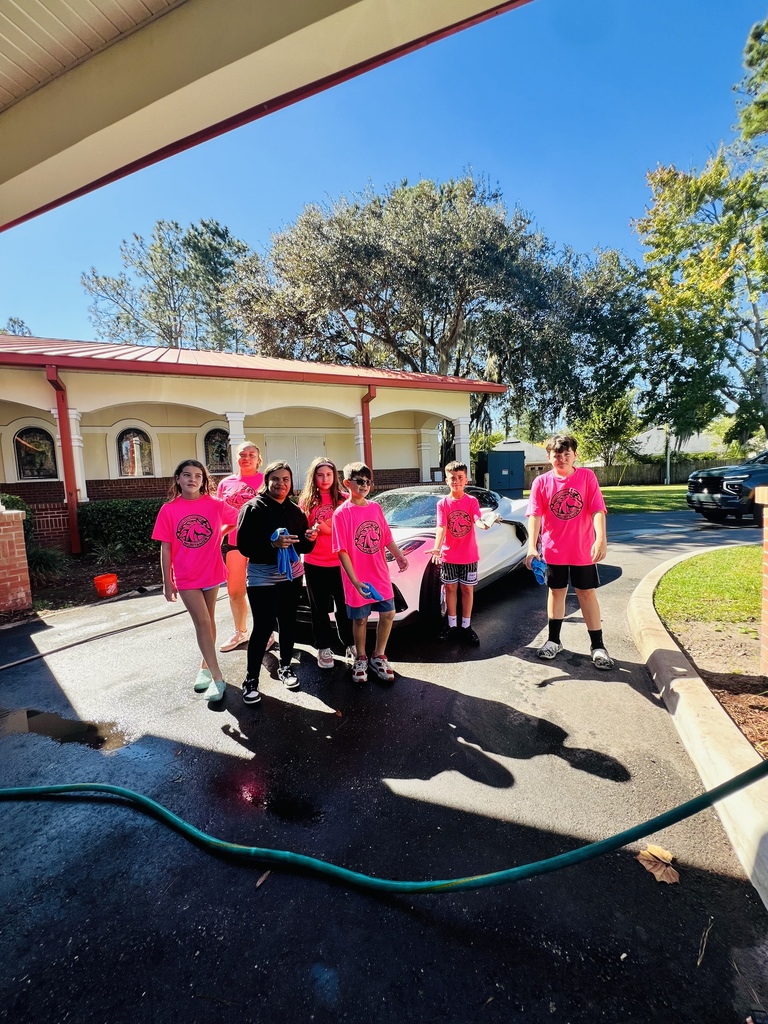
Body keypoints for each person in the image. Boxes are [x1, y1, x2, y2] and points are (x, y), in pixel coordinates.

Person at [525, 433, 614, 669]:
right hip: (554, 550)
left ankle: (598, 646)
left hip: (583, 550)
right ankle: (553, 641)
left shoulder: (586, 477)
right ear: (549, 457)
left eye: (567, 454)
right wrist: (532, 547)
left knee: (586, 593)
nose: (562, 459)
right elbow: (535, 515)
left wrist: (601, 539)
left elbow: (597, 509)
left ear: (575, 455)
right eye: (557, 455)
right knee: (556, 593)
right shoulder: (541, 482)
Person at [151, 459, 238, 703]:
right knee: (202, 621)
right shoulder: (169, 509)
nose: (193, 479)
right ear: (178, 479)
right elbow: (166, 547)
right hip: (186, 575)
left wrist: (220, 534)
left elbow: (238, 519)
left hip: (212, 571)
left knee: (208, 620)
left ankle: (204, 667)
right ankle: (218, 678)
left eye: (198, 475)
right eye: (187, 475)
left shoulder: (215, 504)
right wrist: (167, 581)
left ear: (203, 480)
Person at [235, 461, 317, 704]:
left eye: (286, 479)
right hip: (262, 576)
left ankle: (285, 667)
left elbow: (303, 546)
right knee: (263, 627)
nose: (281, 483)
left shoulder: (295, 511)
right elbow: (244, 545)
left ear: (290, 483)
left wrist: (310, 538)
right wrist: (272, 544)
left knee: (288, 622)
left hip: (291, 574)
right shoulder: (253, 508)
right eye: (276, 479)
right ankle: (251, 679)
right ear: (267, 481)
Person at [332, 461, 409, 684]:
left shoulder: (375, 508)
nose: (365, 485)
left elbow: (385, 537)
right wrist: (354, 581)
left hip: (380, 573)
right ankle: (361, 657)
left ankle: (379, 655)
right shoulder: (341, 514)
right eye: (360, 481)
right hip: (356, 577)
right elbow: (341, 551)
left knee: (388, 613)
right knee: (361, 619)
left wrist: (399, 555)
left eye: (368, 481)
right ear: (347, 483)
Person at [216, 442, 274, 653]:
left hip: (262, 543)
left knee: (262, 589)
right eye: (242, 454)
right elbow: (218, 513)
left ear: (258, 459)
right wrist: (219, 534)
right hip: (235, 544)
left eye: (251, 454)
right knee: (235, 591)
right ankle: (240, 631)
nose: (246, 458)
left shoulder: (267, 480)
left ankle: (267, 632)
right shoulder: (225, 483)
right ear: (236, 457)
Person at [298, 457, 356, 670]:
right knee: (319, 609)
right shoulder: (306, 501)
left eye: (329, 475)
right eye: (320, 475)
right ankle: (323, 647)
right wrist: (310, 535)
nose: (325, 479)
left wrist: (327, 529)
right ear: (313, 477)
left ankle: (350, 644)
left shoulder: (344, 499)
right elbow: (303, 532)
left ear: (335, 476)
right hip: (315, 563)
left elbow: (350, 529)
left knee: (345, 607)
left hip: (341, 563)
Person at [428, 460, 490, 646]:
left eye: (460, 477)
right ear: (446, 480)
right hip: (449, 556)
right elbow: (442, 527)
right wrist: (437, 547)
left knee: (467, 589)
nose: (456, 481)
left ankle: (466, 626)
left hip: (469, 556)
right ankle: (451, 625)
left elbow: (476, 518)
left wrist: (483, 524)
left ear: (466, 480)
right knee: (450, 589)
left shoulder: (471, 501)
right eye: (452, 478)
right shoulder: (443, 504)